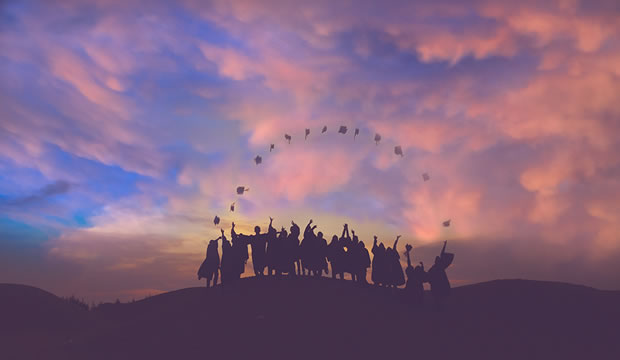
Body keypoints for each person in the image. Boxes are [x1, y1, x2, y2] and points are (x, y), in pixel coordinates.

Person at [426, 240, 454, 310]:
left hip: (440, 283)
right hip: (438, 284)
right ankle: (438, 306)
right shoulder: (438, 267)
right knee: (438, 296)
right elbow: (429, 275)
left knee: (439, 296)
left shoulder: (439, 267)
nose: (438, 260)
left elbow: (442, 254)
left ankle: (439, 306)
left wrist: (444, 245)